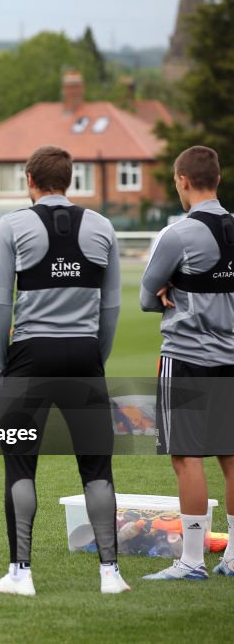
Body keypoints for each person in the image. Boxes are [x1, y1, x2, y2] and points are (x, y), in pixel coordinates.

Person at [0, 145, 127, 596]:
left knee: (21, 465)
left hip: (29, 356)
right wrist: (94, 358)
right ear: (71, 180)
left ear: (30, 179)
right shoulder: (102, 226)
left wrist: (1, 363)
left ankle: (21, 573)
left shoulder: (12, 225)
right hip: (84, 355)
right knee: (97, 465)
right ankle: (111, 574)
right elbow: (112, 306)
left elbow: (0, 304)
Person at [140, 145, 234, 580]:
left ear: (182, 180)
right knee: (231, 458)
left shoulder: (177, 234)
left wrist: (166, 290)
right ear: (216, 178)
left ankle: (193, 560)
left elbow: (146, 297)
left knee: (187, 458)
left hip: (188, 359)